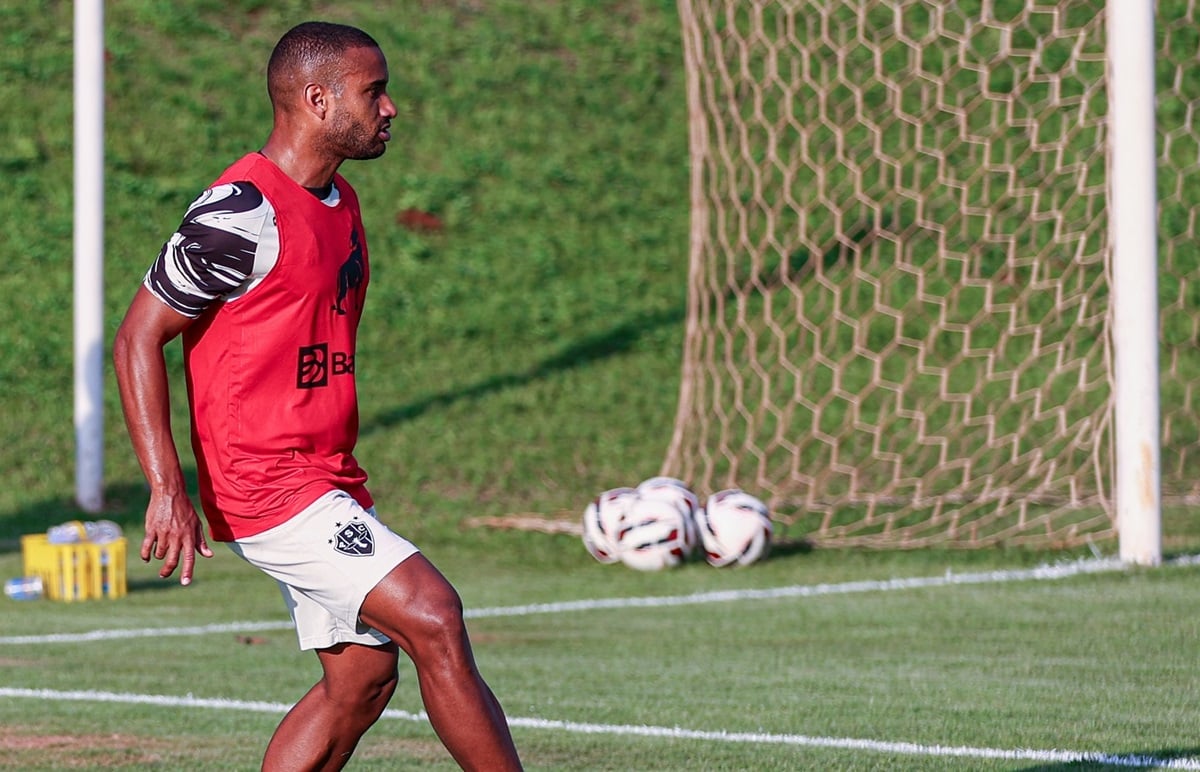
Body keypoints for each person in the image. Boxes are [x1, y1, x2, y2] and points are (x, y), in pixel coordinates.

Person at [112, 21, 524, 771]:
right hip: (268, 484)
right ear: (316, 98)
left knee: (362, 682)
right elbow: (138, 336)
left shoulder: (340, 201)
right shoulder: (239, 213)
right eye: (374, 92)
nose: (391, 107)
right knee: (434, 615)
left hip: (325, 474)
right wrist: (166, 486)